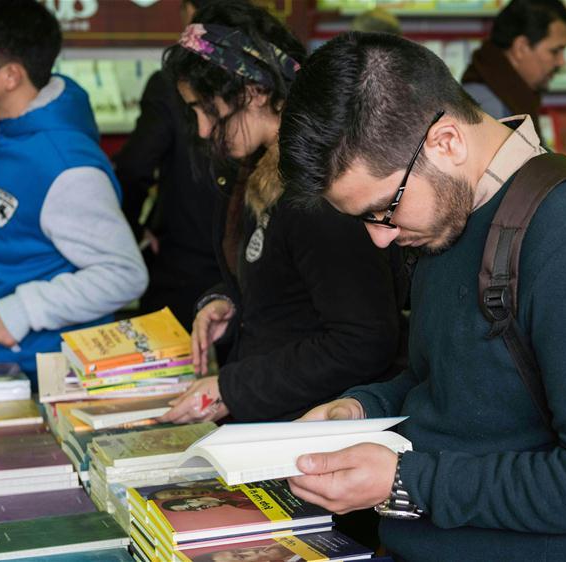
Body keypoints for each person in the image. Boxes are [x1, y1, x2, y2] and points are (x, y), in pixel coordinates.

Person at [278, 32, 566, 561]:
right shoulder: (451, 214)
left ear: (446, 142)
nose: (379, 236)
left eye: (384, 208)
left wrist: (406, 481)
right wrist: (361, 408)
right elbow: (450, 383)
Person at [157, 0, 406, 426]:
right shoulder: (257, 171)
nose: (201, 129)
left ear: (253, 92)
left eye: (206, 109)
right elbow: (285, 278)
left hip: (316, 430)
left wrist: (233, 387)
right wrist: (227, 298)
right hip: (278, 421)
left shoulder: (317, 192)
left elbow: (363, 338)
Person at [0, 0, 147, 385]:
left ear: (10, 75)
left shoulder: (66, 165)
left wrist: (20, 311)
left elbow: (125, 274)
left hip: (54, 372)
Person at [113, 0, 239, 328]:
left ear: (189, 11)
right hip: (244, 278)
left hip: (182, 267)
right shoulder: (257, 81)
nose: (205, 129)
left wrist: (133, 232)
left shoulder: (169, 83)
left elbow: (134, 167)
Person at [460, 0, 566, 128]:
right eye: (555, 51)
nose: (562, 62)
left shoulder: (512, 96)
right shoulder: (487, 108)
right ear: (521, 48)